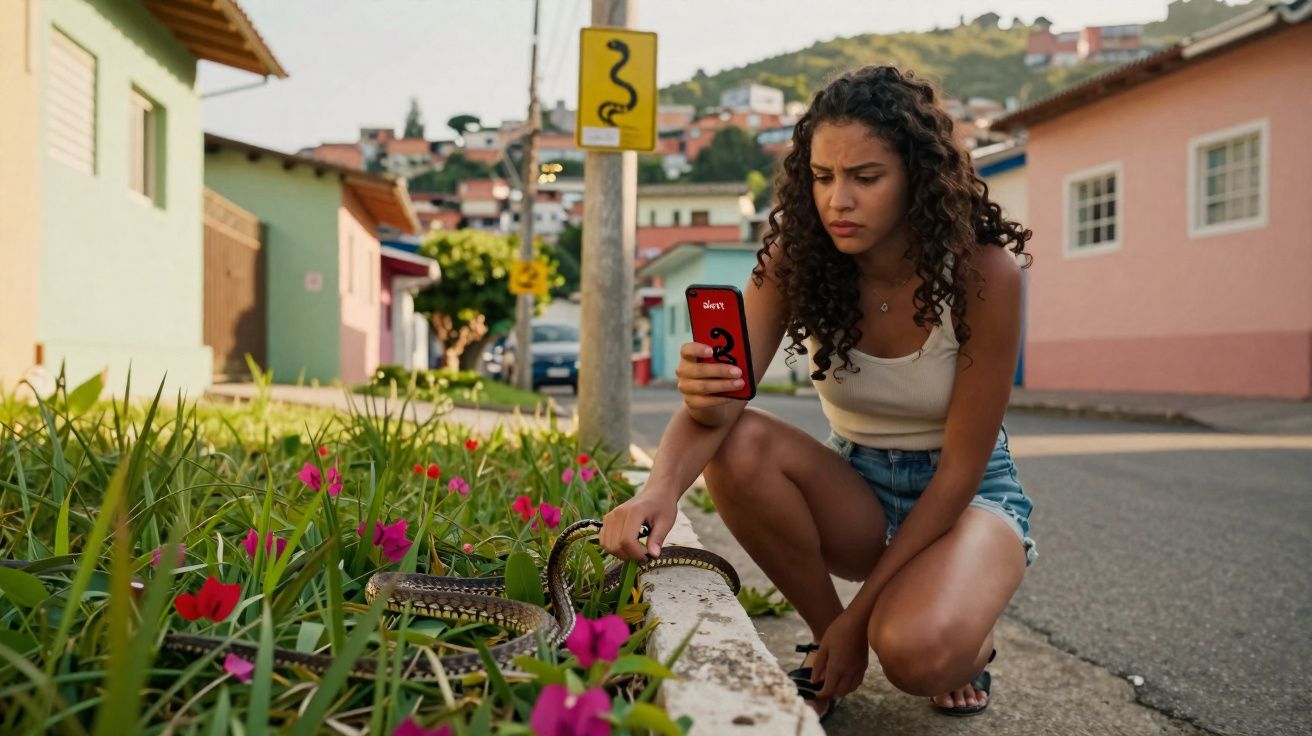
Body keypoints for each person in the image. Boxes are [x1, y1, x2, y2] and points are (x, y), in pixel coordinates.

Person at [600, 64, 1037, 722]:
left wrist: (863, 622)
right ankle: (830, 646)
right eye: (823, 177)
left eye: (866, 178)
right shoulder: (798, 263)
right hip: (858, 487)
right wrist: (659, 488)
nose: (838, 200)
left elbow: (958, 474)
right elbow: (721, 409)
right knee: (739, 442)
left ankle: (964, 633)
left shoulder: (984, 274)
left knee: (919, 653)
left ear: (917, 178)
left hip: (967, 497)